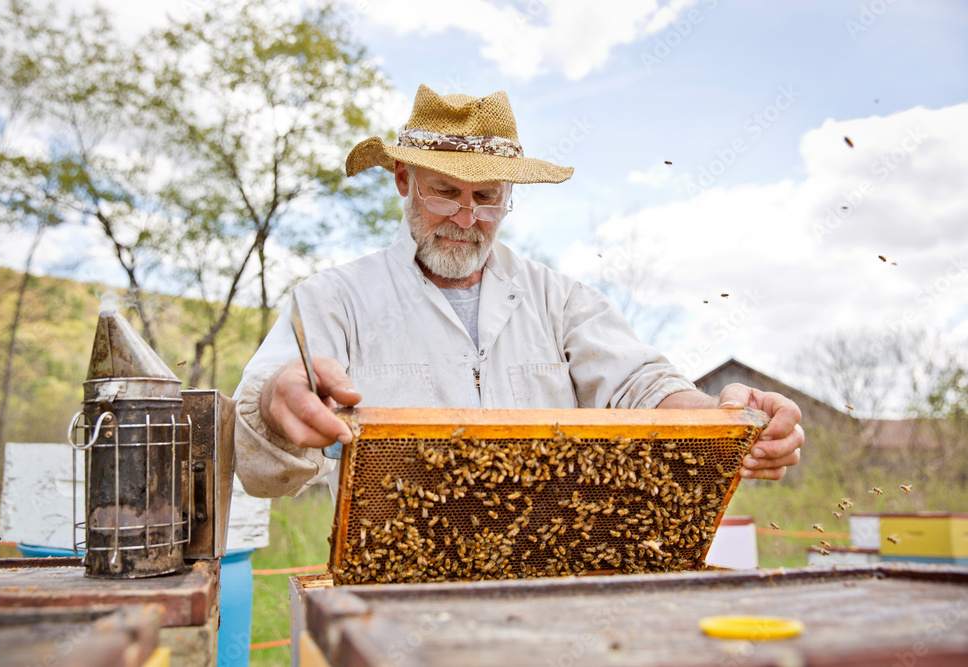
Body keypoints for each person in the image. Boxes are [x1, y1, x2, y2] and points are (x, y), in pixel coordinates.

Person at [233, 84, 804, 498]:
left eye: (486, 198)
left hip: (545, 595)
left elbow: (638, 383)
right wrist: (275, 404)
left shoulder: (560, 300)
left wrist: (721, 419)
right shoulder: (332, 299)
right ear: (404, 182)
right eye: (444, 191)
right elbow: (255, 454)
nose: (465, 216)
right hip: (394, 608)